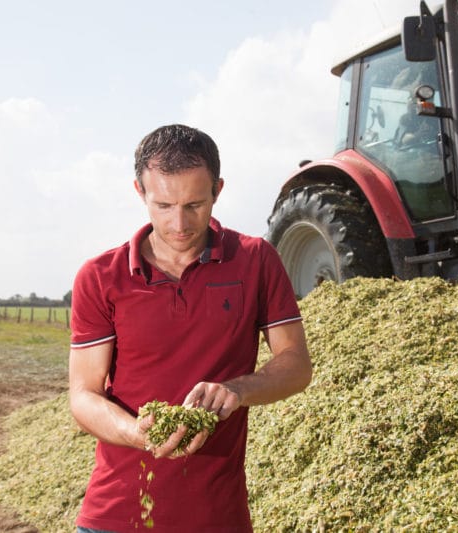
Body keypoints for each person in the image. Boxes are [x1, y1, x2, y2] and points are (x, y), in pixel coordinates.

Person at [68, 124, 312, 533]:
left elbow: (297, 365)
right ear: (139, 192)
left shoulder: (255, 260)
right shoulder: (99, 277)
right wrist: (137, 433)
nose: (179, 223)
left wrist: (237, 390)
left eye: (195, 204)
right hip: (114, 516)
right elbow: (83, 396)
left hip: (216, 517)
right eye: (163, 205)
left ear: (218, 190)